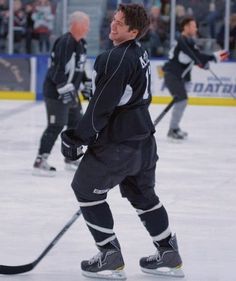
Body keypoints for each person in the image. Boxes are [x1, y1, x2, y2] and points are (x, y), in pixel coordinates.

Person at [61, 3, 184, 280]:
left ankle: (109, 255)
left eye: (120, 24)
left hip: (117, 143)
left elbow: (100, 107)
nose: (113, 26)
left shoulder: (113, 58)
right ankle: (168, 252)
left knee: (84, 189)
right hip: (143, 140)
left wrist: (76, 137)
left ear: (134, 31)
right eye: (114, 20)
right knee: (143, 196)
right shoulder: (140, 52)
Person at [33, 11, 92, 177]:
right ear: (76, 25)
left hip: (70, 92)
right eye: (86, 24)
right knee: (56, 125)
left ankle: (70, 158)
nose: (88, 28)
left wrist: (86, 82)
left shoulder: (82, 43)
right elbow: (56, 69)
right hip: (56, 93)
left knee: (76, 124)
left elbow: (80, 67)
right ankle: (40, 160)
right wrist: (63, 87)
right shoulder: (65, 42)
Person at [163, 16, 228, 140]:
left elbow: (197, 56)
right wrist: (212, 57)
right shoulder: (181, 40)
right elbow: (193, 55)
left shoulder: (189, 41)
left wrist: (204, 61)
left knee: (182, 101)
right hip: (172, 75)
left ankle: (174, 128)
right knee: (182, 100)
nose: (196, 28)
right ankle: (173, 129)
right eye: (193, 26)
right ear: (186, 27)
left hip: (180, 77)